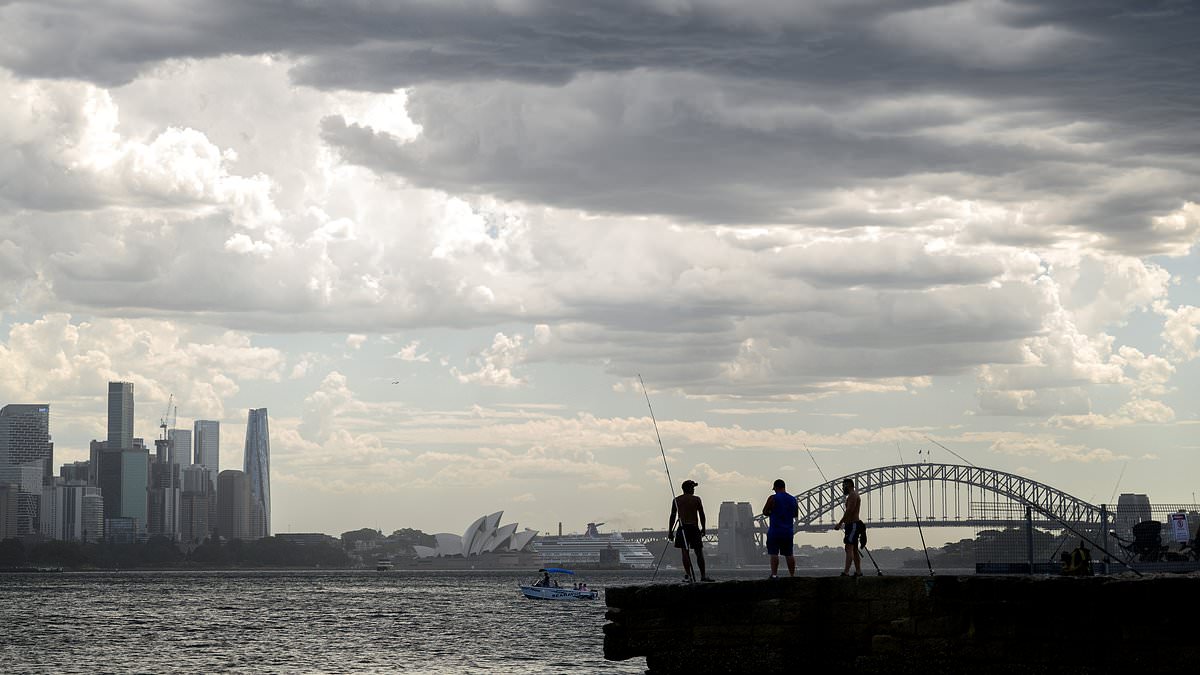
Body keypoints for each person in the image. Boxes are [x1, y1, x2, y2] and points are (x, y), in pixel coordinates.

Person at [668, 479, 714, 582]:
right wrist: (704, 527)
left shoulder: (677, 500)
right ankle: (703, 576)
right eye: (693, 487)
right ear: (689, 488)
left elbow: (672, 516)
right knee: (699, 553)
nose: (694, 489)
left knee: (685, 552)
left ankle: (688, 576)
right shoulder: (697, 499)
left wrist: (670, 531)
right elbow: (702, 514)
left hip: (682, 528)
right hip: (694, 528)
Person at [762, 478, 799, 578]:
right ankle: (792, 575)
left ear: (776, 487)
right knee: (789, 554)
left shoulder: (773, 498)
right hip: (788, 531)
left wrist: (773, 513)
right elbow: (795, 514)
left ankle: (774, 575)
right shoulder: (793, 499)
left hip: (775, 530)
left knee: (774, 553)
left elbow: (765, 511)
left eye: (774, 489)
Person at [834, 478, 863, 577]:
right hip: (853, 525)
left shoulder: (852, 495)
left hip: (853, 525)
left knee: (848, 547)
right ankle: (858, 571)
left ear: (848, 485)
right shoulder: (853, 495)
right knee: (854, 548)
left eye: (843, 486)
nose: (842, 488)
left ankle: (846, 572)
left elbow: (849, 510)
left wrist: (840, 523)